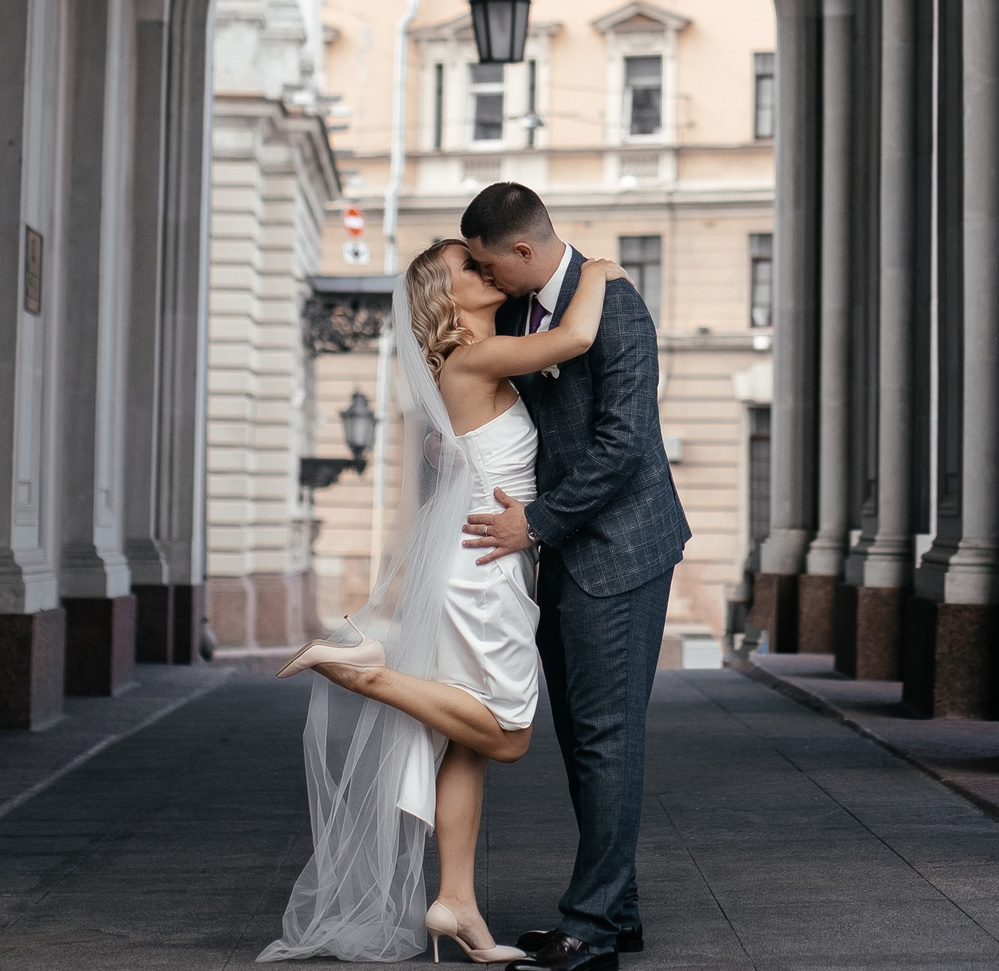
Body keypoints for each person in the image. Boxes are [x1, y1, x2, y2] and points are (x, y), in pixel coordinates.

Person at [259, 234, 625, 965]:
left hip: (487, 561)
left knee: (467, 741)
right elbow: (578, 334)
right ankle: (369, 672)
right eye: (468, 266)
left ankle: (456, 901)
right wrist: (605, 270)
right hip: (481, 571)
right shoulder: (474, 357)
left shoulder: (474, 364)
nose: (484, 270)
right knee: (510, 732)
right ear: (445, 298)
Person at [459, 182, 690, 971]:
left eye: (492, 267)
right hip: (562, 556)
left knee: (606, 738)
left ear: (523, 250)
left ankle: (589, 928)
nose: (487, 282)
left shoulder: (615, 304)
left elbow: (624, 444)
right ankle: (617, 912)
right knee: (589, 740)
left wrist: (538, 522)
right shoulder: (520, 312)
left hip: (619, 549)